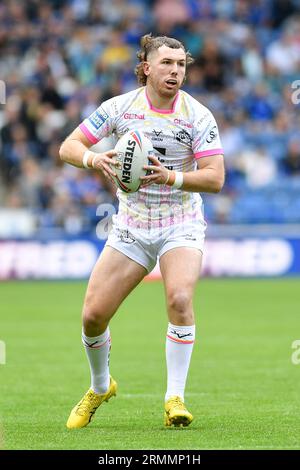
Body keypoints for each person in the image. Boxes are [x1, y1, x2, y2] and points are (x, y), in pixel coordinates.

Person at [59, 34, 225, 429]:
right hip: (131, 226)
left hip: (180, 223)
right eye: (167, 63)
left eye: (182, 64)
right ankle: (101, 386)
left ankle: (175, 399)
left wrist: (170, 177)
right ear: (146, 67)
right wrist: (92, 157)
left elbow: (216, 178)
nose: (175, 71)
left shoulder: (197, 115)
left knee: (180, 298)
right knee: (93, 316)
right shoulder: (119, 108)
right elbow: (68, 146)